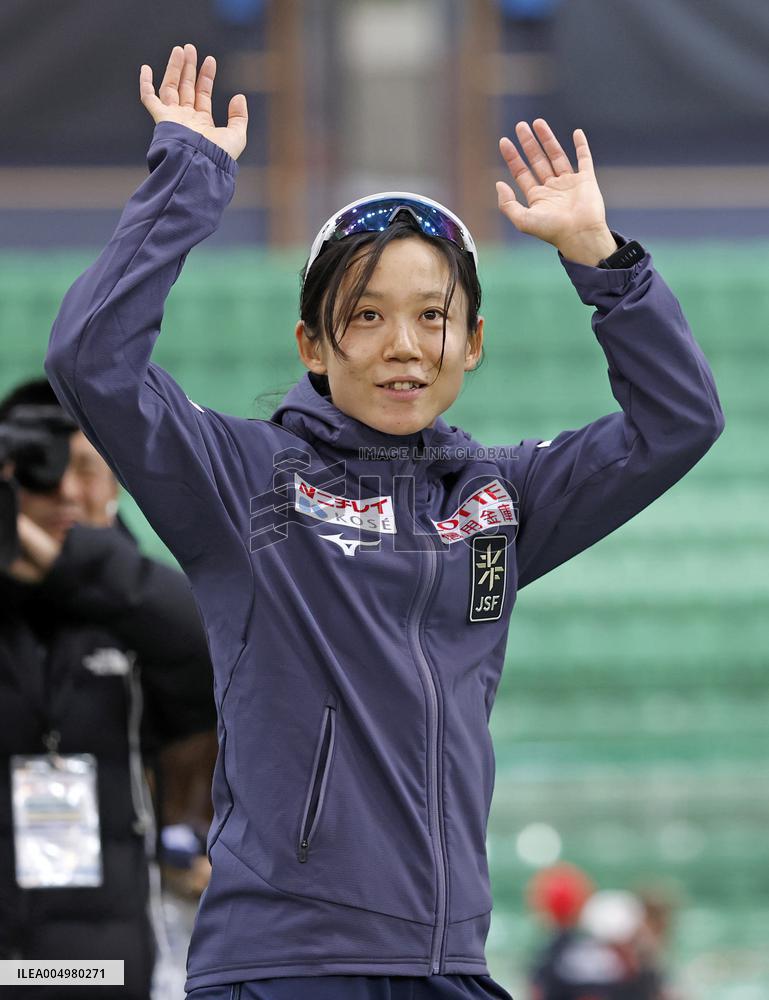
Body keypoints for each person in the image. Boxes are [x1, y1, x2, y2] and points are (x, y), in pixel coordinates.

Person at [44, 42, 724, 1000]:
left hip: (449, 962)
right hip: (286, 966)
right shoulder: (243, 480)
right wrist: (187, 181)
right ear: (313, 345)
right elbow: (90, 363)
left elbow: (679, 421)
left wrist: (600, 262)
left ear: (472, 343)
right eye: (363, 317)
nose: (403, 346)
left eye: (431, 316)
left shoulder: (498, 500)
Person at [0, 377, 216, 999]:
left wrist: (77, 565)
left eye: (89, 470)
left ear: (119, 483)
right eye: (43, 471)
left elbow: (215, 643)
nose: (68, 491)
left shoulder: (144, 609)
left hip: (104, 968)